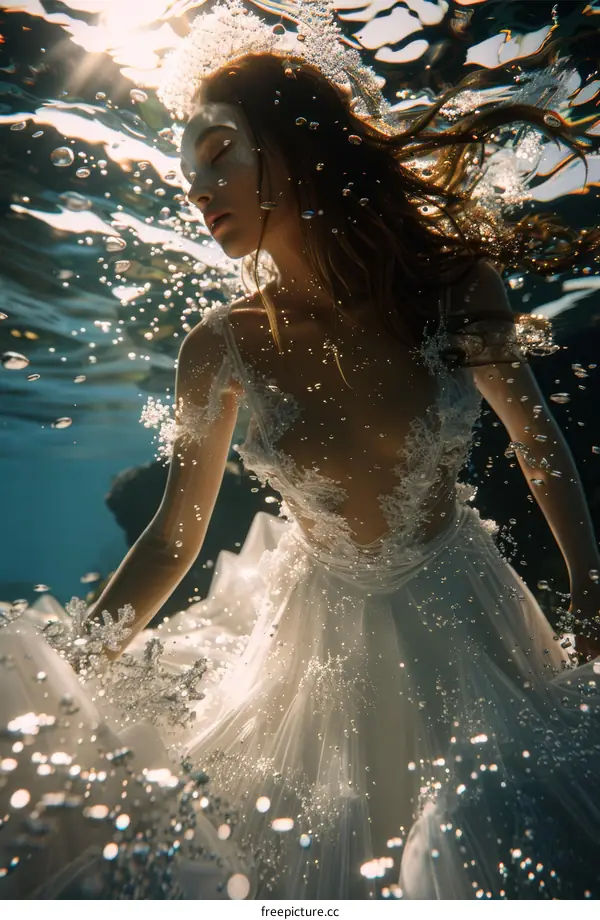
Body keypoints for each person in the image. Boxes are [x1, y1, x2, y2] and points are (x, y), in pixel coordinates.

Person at [2, 0, 600, 900]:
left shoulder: (454, 285)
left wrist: (593, 591)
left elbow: (538, 448)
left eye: (216, 156)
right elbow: (173, 538)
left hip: (468, 615)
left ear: (294, 148)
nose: (199, 191)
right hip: (310, 650)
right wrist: (79, 672)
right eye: (186, 173)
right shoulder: (219, 345)